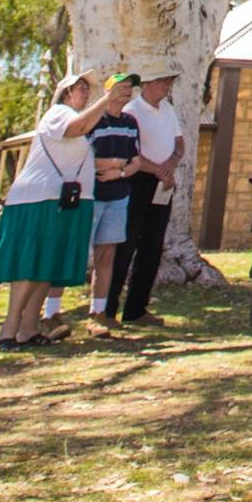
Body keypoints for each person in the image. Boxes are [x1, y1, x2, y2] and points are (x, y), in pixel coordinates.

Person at [0, 70, 118, 350]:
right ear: (66, 92)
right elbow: (77, 128)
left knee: (47, 265)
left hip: (63, 201)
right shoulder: (57, 113)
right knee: (30, 265)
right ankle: (9, 328)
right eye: (80, 87)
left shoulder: (79, 121)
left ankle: (29, 328)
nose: (84, 92)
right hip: (38, 200)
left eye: (86, 89)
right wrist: (108, 99)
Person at [109, 70, 184, 327]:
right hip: (137, 180)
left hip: (163, 182)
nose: (167, 86)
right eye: (163, 81)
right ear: (148, 84)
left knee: (152, 246)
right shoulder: (132, 111)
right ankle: (107, 308)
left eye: (169, 82)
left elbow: (179, 142)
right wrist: (158, 170)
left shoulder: (168, 109)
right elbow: (133, 153)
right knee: (125, 244)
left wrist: (170, 165)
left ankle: (136, 308)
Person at [84, 73, 143, 328]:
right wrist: (114, 164)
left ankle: (99, 312)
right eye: (121, 87)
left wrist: (119, 171)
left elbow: (136, 161)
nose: (127, 91)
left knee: (106, 254)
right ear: (107, 90)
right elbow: (82, 156)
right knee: (76, 252)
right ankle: (50, 312)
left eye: (130, 87)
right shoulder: (93, 121)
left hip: (119, 196)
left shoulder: (131, 123)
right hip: (90, 195)